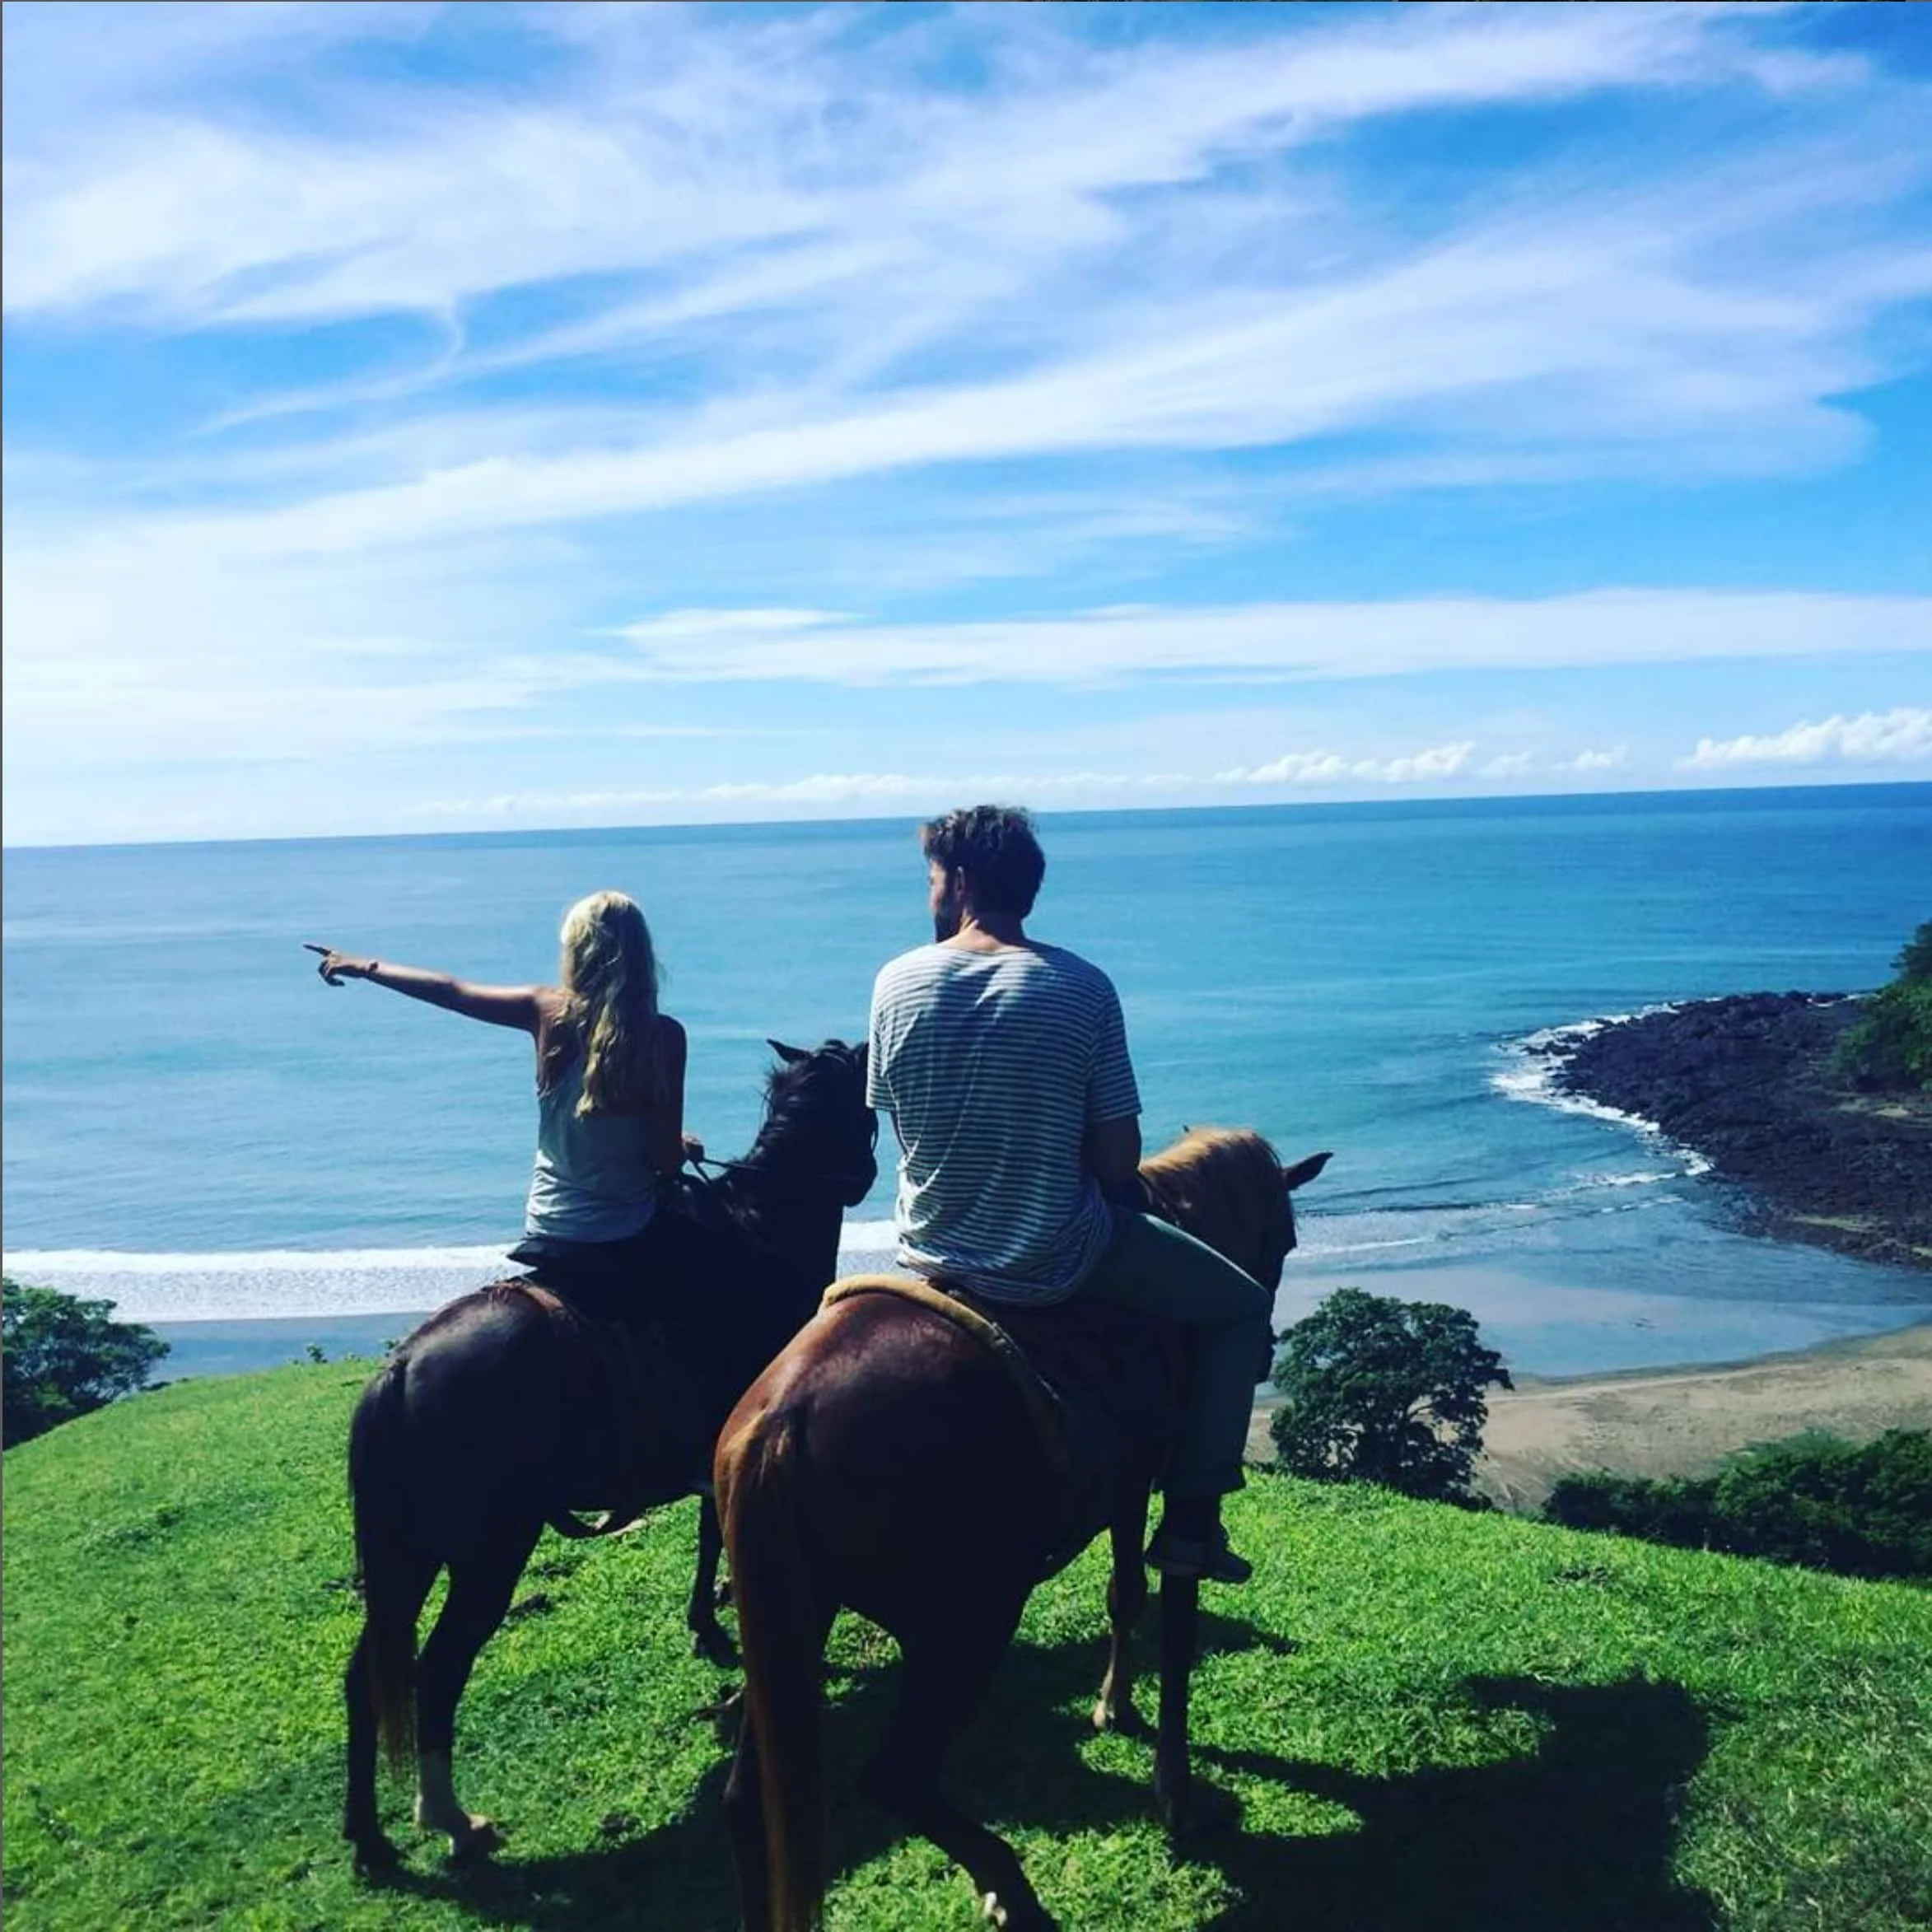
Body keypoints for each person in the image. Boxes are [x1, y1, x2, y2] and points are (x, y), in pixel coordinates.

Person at [866, 804, 1271, 1584]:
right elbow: (1119, 1161)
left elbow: (901, 1121)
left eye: (933, 879)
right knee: (1242, 1308)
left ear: (962, 882)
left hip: (928, 1255)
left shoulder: (895, 981)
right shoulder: (1081, 987)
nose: (931, 894)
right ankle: (1192, 1521)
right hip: (1057, 1255)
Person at [306, 890, 700, 1298]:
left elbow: (451, 991)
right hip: (623, 1228)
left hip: (550, 1223)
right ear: (640, 952)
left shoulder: (545, 1010)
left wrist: (366, 967)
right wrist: (682, 1147)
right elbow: (663, 1159)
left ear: (576, 951)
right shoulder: (666, 1036)